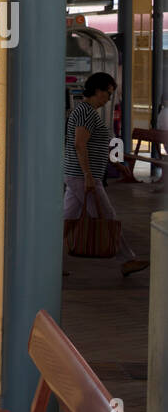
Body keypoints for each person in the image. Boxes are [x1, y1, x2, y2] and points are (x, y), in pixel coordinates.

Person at [63, 72, 148, 276]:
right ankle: (127, 260)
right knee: (107, 217)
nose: (109, 98)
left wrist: (115, 163)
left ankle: (47, 263)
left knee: (65, 222)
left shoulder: (87, 112)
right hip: (83, 176)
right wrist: (88, 176)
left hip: (79, 176)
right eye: (108, 93)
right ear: (97, 90)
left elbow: (96, 145)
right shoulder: (85, 112)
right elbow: (80, 144)